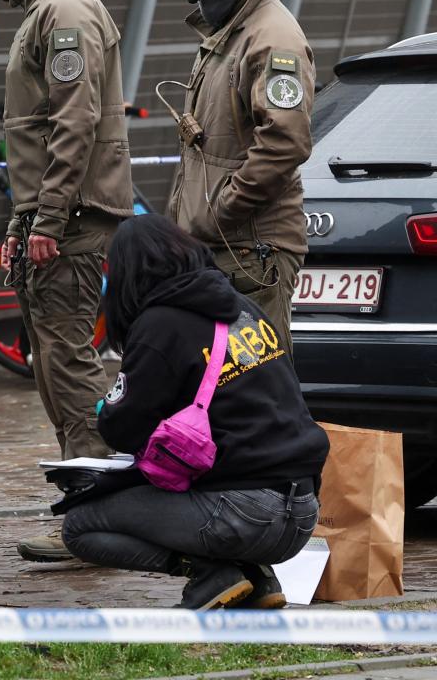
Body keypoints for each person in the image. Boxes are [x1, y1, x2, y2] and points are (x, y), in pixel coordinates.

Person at [61, 214, 329, 610]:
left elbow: (119, 429)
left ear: (127, 274)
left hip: (245, 513)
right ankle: (257, 578)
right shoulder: (244, 308)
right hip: (303, 511)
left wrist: (110, 405)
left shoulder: (159, 325)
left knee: (80, 525)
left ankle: (212, 574)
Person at [0, 0, 134, 562]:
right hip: (54, 215)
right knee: (52, 358)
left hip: (70, 219)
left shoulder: (64, 11)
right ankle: (92, 506)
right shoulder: (49, 9)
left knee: (67, 359)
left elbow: (73, 124)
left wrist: (46, 218)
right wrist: (25, 221)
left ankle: (98, 514)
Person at [165, 0, 315, 354]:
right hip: (221, 248)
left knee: (257, 384)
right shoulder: (228, 33)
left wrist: (220, 209)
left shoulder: (273, 39)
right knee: (218, 387)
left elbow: (284, 142)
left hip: (251, 251)